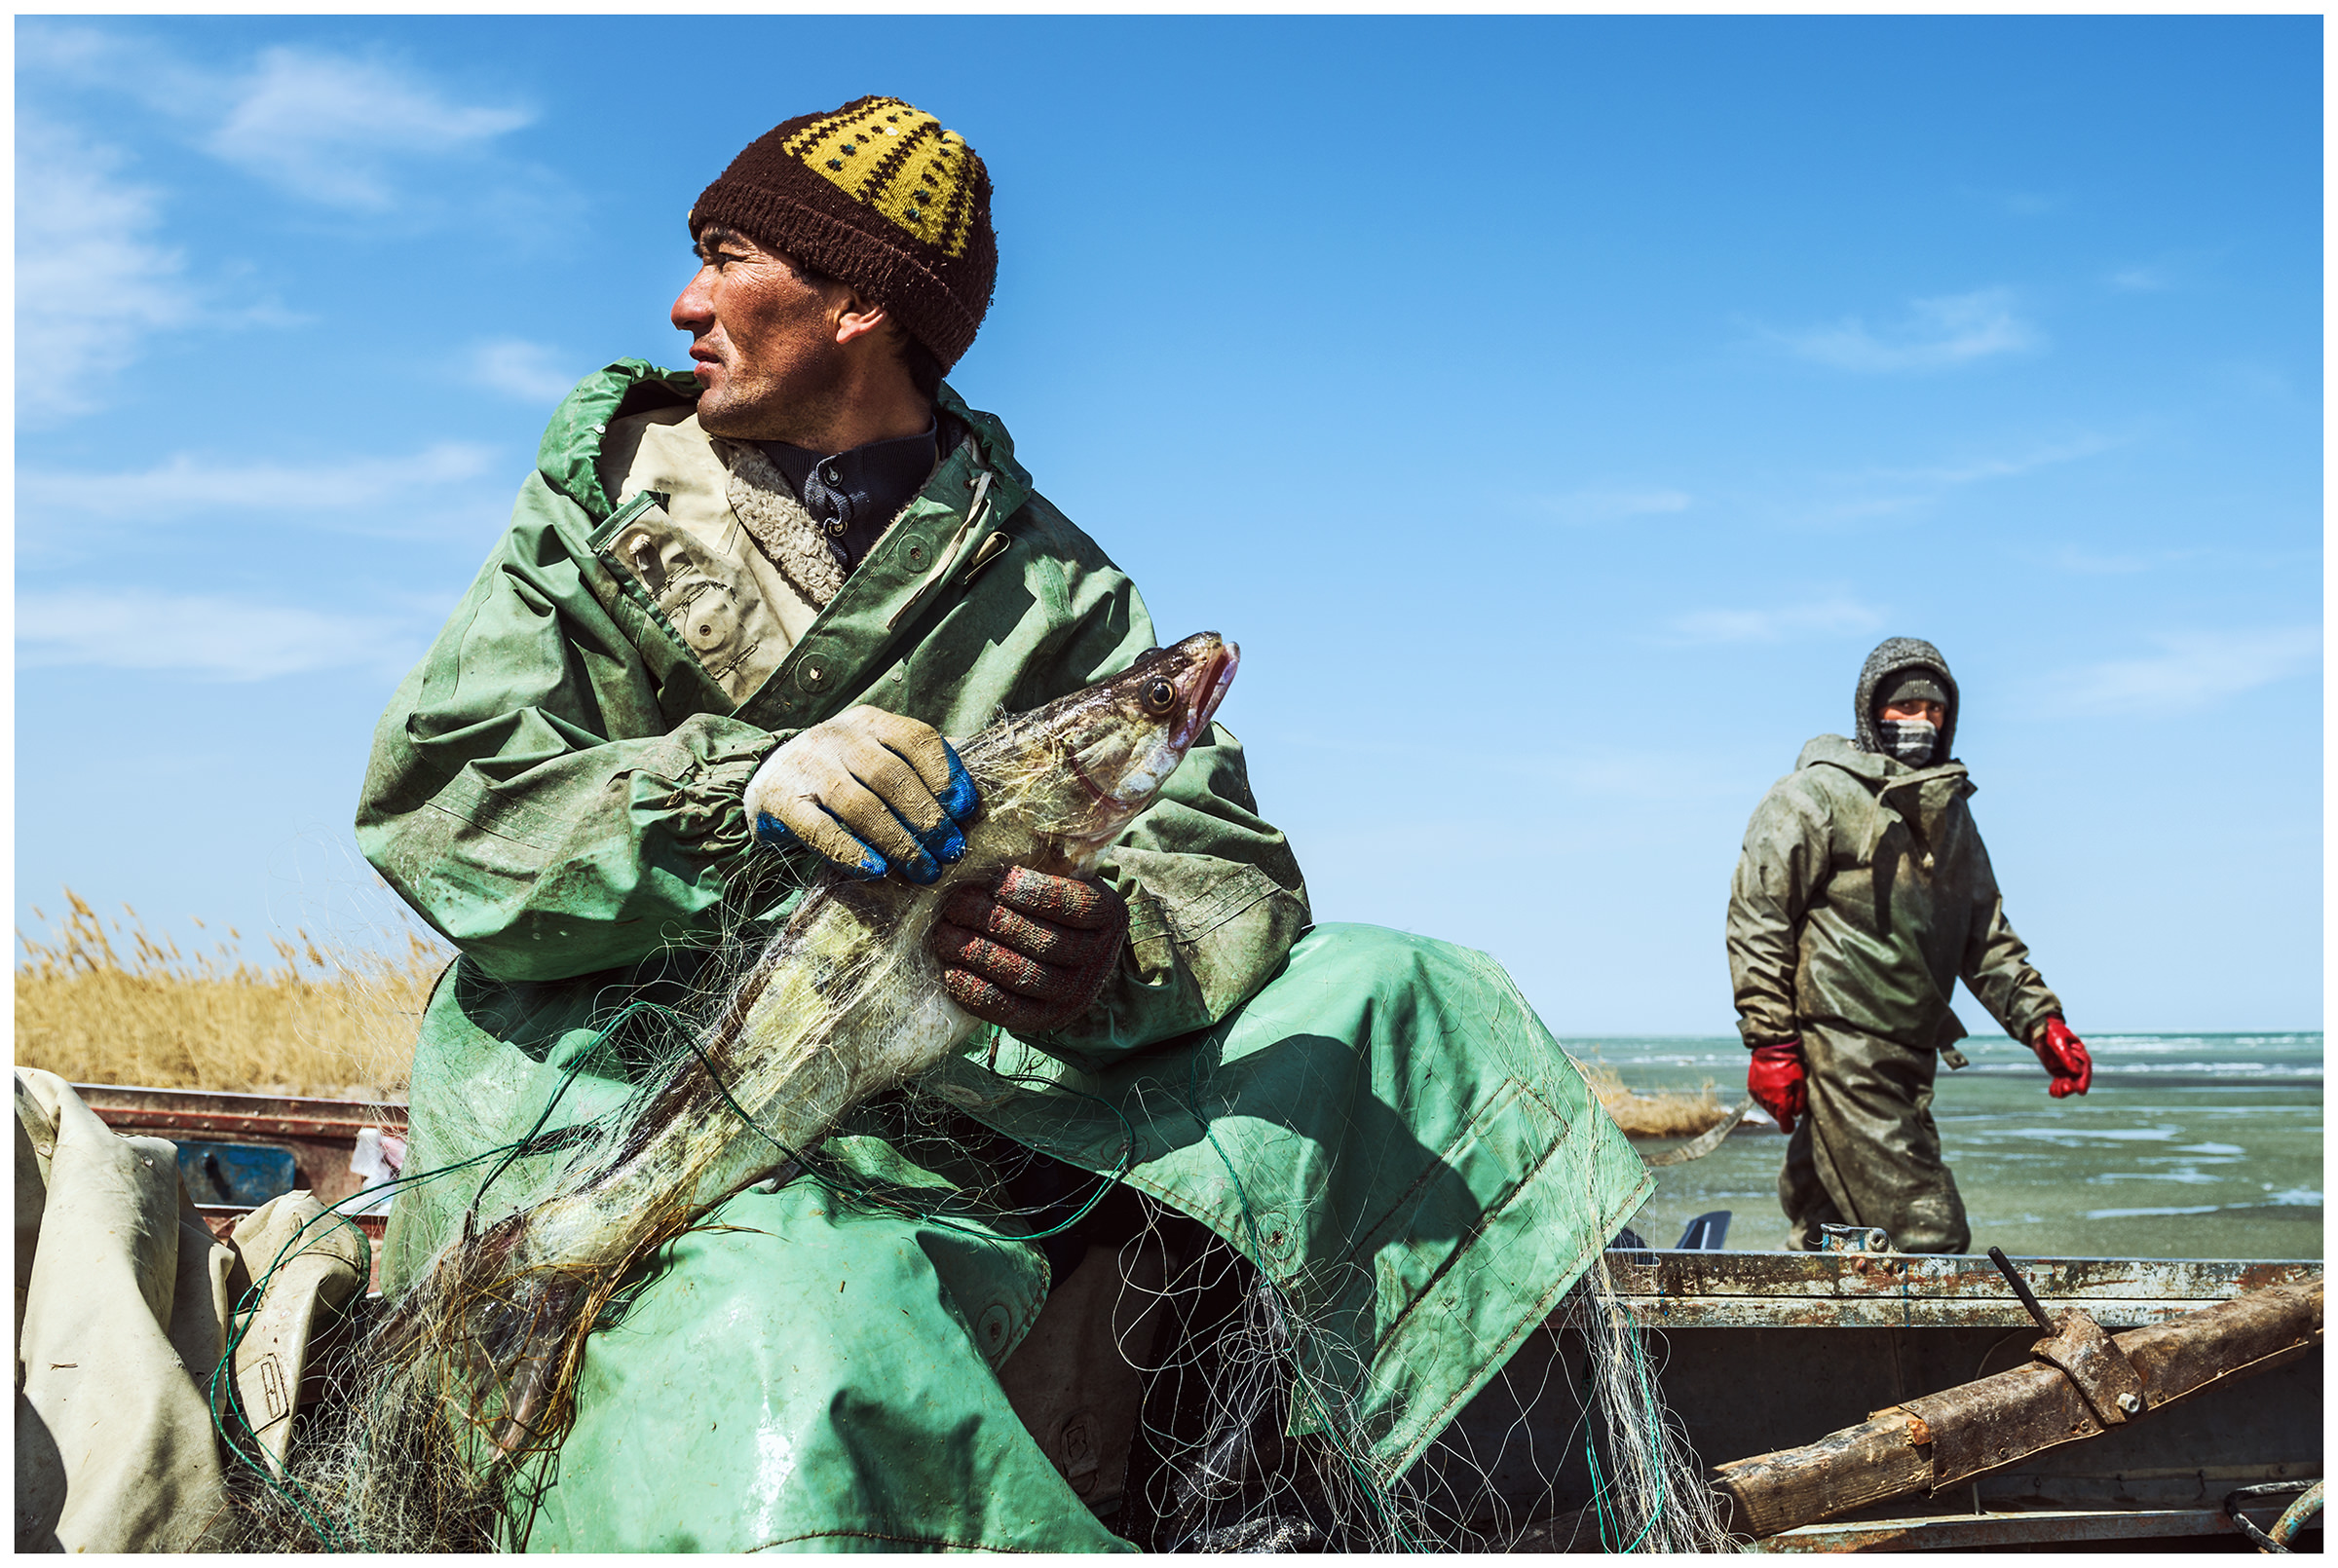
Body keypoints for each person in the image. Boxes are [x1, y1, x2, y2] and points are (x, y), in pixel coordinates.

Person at [357, 96, 1642, 1551]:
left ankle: (1369, 1488)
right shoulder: (600, 514)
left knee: (1409, 992)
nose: (685, 298)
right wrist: (739, 794)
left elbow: (1222, 859)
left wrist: (1109, 951)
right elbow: (443, 797)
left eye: (726, 256)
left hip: (939, 1083)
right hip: (607, 1078)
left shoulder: (1060, 589)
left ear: (858, 305)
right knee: (793, 1310)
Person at [1724, 637, 2093, 1254]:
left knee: (1828, 1227)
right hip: (1840, 1043)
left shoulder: (1949, 814)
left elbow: (1985, 935)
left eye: (1934, 710)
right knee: (1927, 1232)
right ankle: (1947, 1354)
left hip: (1911, 1051)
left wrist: (2042, 1025)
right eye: (1904, 707)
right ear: (1871, 712)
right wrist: (1773, 1043)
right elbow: (1759, 917)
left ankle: (1810, 1348)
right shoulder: (1813, 797)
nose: (1920, 721)